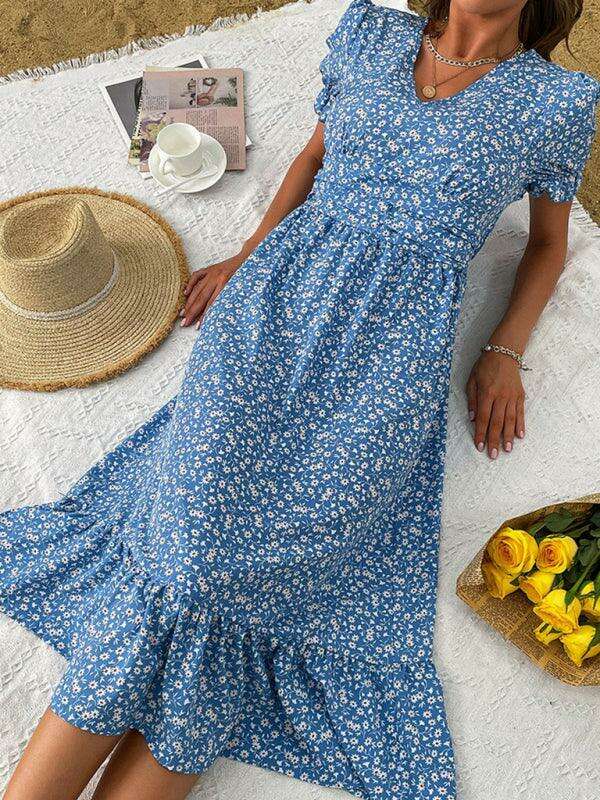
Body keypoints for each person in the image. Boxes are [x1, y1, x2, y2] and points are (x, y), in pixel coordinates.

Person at [2, 1, 600, 799]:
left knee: (241, 583)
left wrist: (503, 350)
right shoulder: (372, 36)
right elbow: (314, 157)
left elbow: (550, 244)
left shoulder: (554, 102)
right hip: (273, 313)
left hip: (389, 365)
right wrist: (249, 254)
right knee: (184, 561)